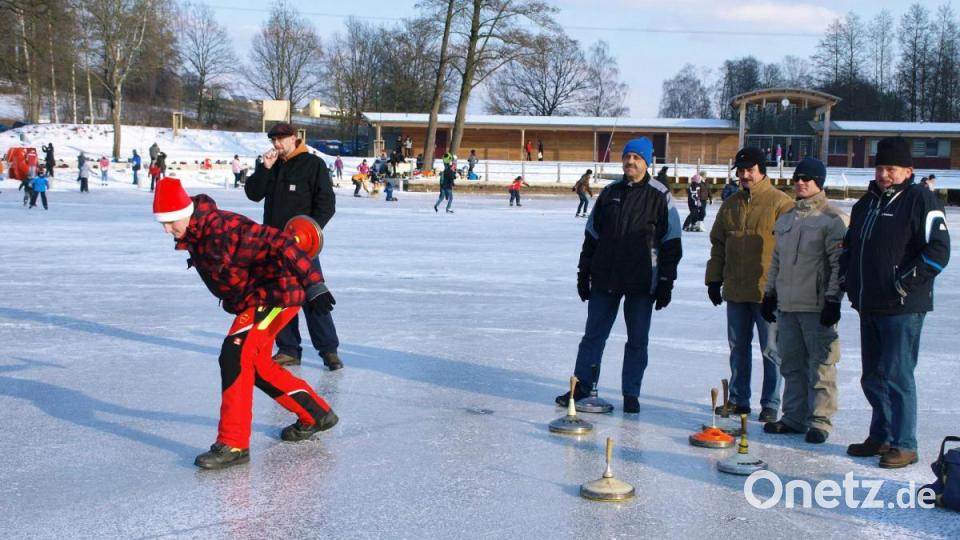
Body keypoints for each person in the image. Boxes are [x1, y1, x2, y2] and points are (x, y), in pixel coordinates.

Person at [152, 178, 339, 470]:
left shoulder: (224, 229)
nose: (167, 229)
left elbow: (282, 241)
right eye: (162, 223)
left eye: (170, 221)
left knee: (235, 355)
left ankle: (234, 443)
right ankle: (316, 414)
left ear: (186, 211)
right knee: (258, 367)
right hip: (259, 297)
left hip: (277, 294)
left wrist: (314, 284)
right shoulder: (196, 232)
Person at [840, 137, 950, 468]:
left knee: (898, 376)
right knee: (872, 376)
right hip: (869, 304)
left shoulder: (920, 199)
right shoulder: (865, 205)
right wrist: (847, 280)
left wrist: (904, 282)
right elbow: (849, 249)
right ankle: (882, 435)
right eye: (880, 168)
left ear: (908, 171)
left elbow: (938, 251)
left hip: (903, 306)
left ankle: (905, 443)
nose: (884, 174)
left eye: (891, 169)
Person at [556, 137, 682, 413]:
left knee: (637, 340)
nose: (630, 162)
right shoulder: (610, 193)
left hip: (641, 282)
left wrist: (666, 281)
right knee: (593, 336)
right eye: (627, 157)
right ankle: (582, 387)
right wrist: (583, 273)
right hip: (606, 278)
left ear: (647, 162)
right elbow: (591, 237)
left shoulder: (660, 195)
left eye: (637, 158)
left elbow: (672, 242)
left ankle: (631, 393)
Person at [760, 157, 847, 444]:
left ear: (819, 182)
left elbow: (838, 264)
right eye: (797, 178)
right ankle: (794, 417)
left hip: (816, 305)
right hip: (787, 304)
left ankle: (820, 420)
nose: (800, 183)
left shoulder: (832, 219)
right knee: (791, 365)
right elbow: (777, 262)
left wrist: (833, 299)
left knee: (821, 366)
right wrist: (770, 294)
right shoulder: (786, 219)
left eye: (806, 179)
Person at [244, 122, 344, 371]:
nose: (276, 145)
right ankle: (288, 349)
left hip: (303, 246)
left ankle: (329, 350)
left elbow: (326, 204)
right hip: (274, 245)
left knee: (314, 296)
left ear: (294, 138)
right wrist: (264, 170)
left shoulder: (313, 164)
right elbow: (254, 194)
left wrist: (309, 232)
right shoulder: (270, 165)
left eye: (281, 140)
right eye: (273, 140)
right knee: (280, 297)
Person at [705, 146, 794, 423]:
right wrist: (714, 279)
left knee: (771, 349)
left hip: (767, 291)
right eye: (740, 171)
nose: (744, 175)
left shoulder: (781, 203)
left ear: (762, 171)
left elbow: (789, 250)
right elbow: (718, 244)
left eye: (749, 170)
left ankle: (770, 404)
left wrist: (779, 289)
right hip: (736, 289)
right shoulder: (731, 204)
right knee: (738, 347)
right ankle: (739, 400)